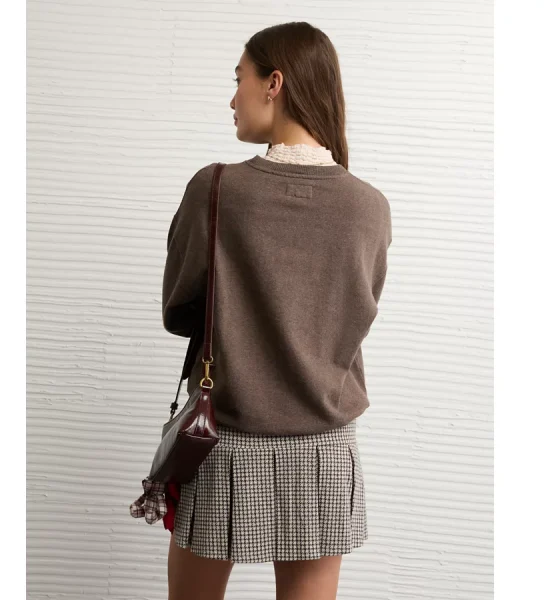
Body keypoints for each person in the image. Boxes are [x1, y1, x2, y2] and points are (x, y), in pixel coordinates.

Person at [163, 21, 392, 600]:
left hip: (224, 440)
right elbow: (352, 318)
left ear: (274, 83)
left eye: (238, 79)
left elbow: (180, 309)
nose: (232, 98)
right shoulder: (369, 207)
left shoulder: (216, 189)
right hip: (324, 448)